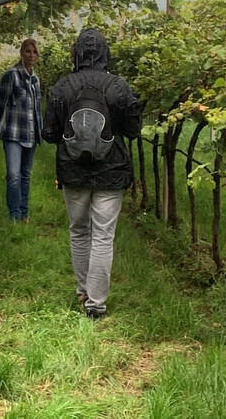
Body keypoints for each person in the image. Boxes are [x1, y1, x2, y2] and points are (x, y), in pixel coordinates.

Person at [41, 28, 141, 319]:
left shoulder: (63, 86)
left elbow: (49, 133)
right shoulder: (119, 86)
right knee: (103, 235)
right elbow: (133, 131)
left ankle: (82, 290)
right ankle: (96, 304)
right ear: (106, 54)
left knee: (79, 230)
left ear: (76, 53)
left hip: (73, 171)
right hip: (111, 171)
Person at [0, 38, 42, 221]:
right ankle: (14, 216)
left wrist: (40, 132)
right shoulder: (11, 75)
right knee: (13, 175)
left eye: (34, 52)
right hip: (13, 133)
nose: (31, 55)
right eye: (28, 51)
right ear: (22, 53)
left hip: (30, 134)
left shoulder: (36, 80)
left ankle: (24, 214)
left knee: (26, 176)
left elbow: (37, 110)